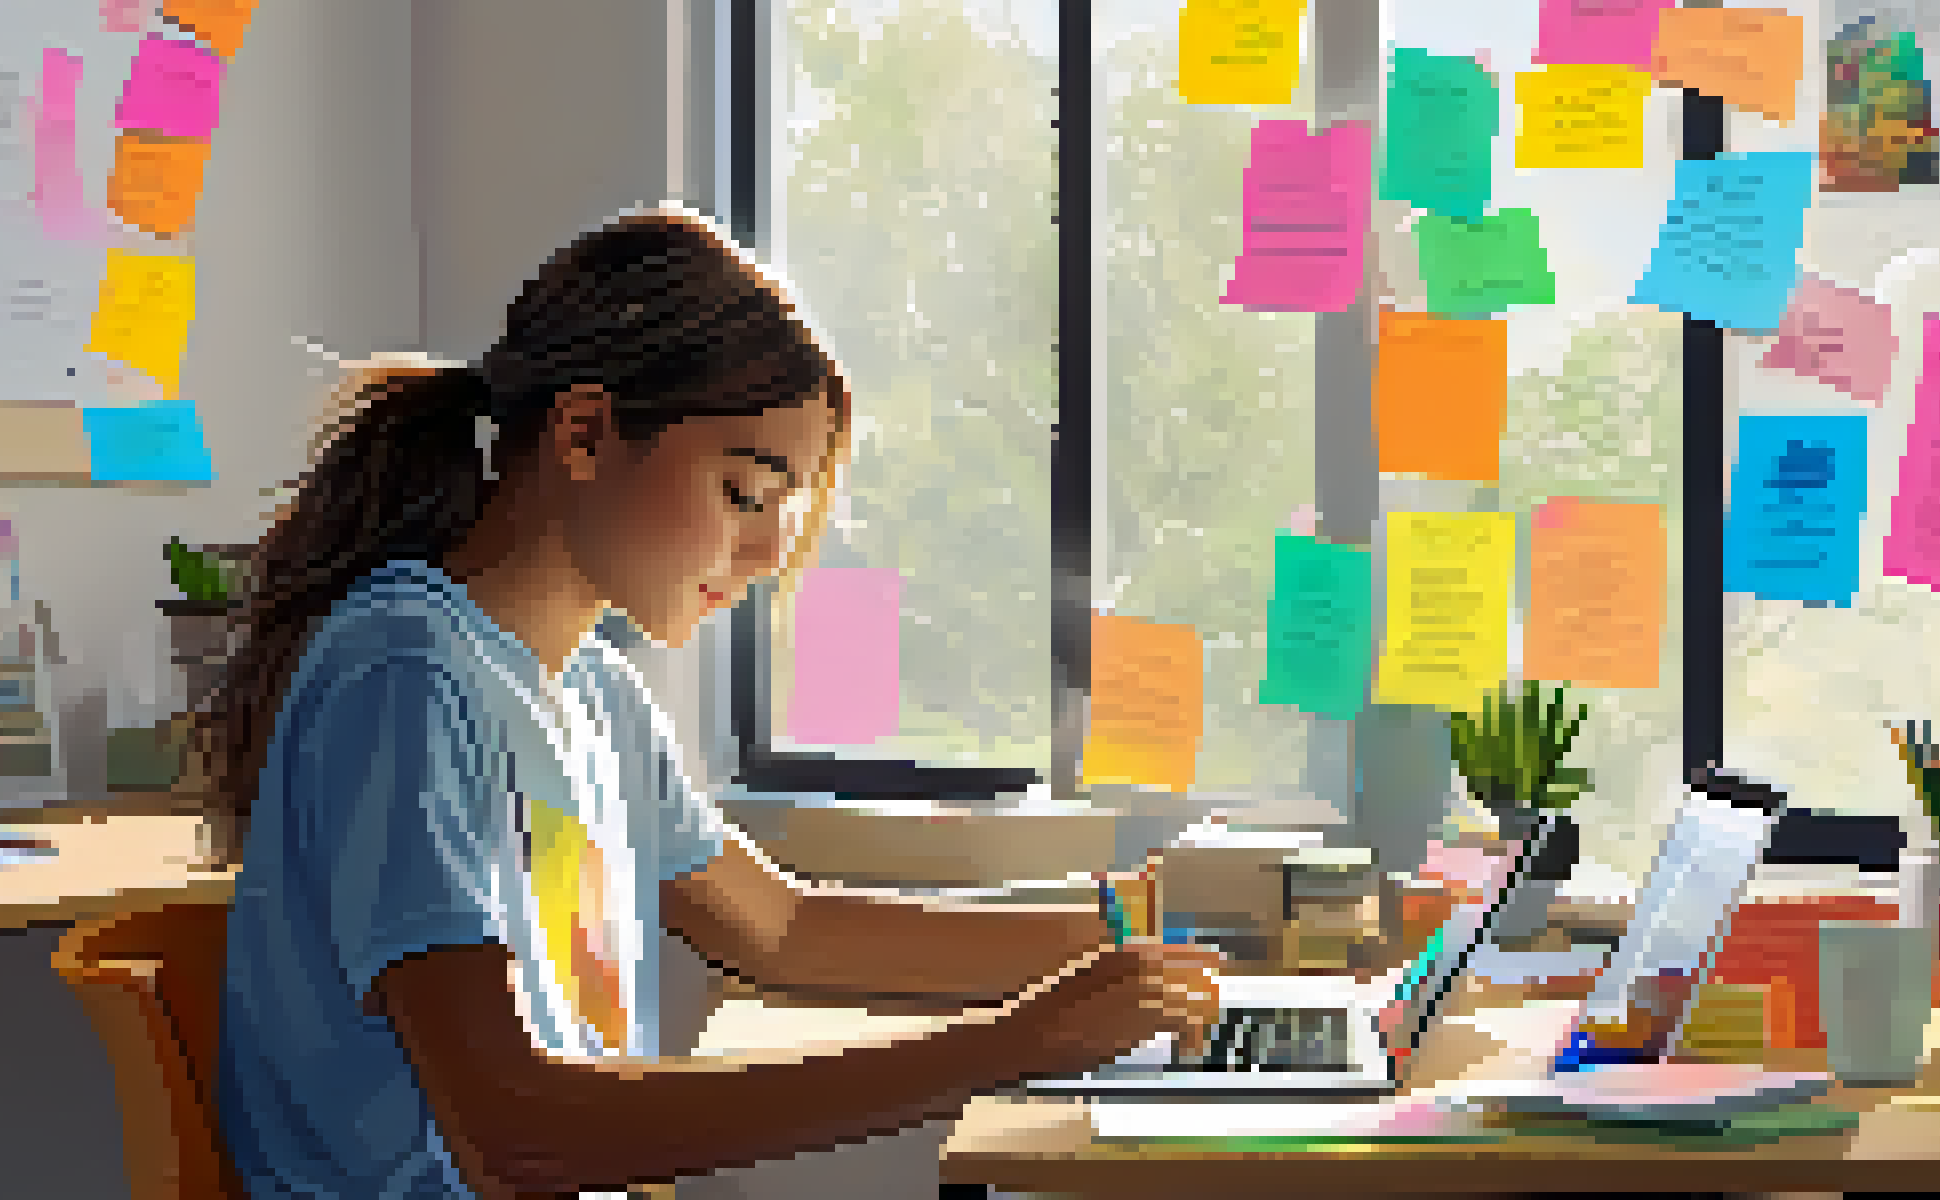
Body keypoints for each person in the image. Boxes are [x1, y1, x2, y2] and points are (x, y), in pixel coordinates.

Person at [197, 208, 1221, 1200]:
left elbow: (782, 929)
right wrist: (1014, 1045)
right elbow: (513, 1131)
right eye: (745, 493)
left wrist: (1122, 934)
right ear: (586, 433)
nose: (772, 553)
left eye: (785, 510)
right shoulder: (407, 678)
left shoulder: (597, 694)